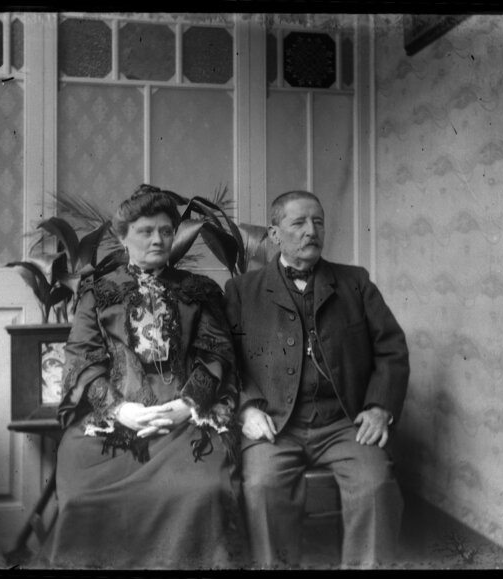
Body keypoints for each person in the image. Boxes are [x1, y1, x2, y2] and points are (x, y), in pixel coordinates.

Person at [49, 185, 246, 569]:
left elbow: (215, 353)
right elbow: (83, 358)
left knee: (203, 489)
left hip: (184, 415)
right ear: (122, 237)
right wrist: (120, 411)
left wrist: (187, 405)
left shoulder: (199, 291)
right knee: (81, 495)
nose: (158, 239)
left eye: (166, 231)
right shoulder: (97, 291)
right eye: (145, 231)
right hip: (116, 415)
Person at [223, 190, 409, 569]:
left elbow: (391, 348)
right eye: (299, 223)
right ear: (274, 234)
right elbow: (226, 361)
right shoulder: (242, 291)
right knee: (261, 488)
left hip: (343, 421)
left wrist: (379, 408)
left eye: (318, 222)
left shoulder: (355, 283)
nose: (312, 231)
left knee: (375, 486)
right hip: (275, 423)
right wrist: (247, 410)